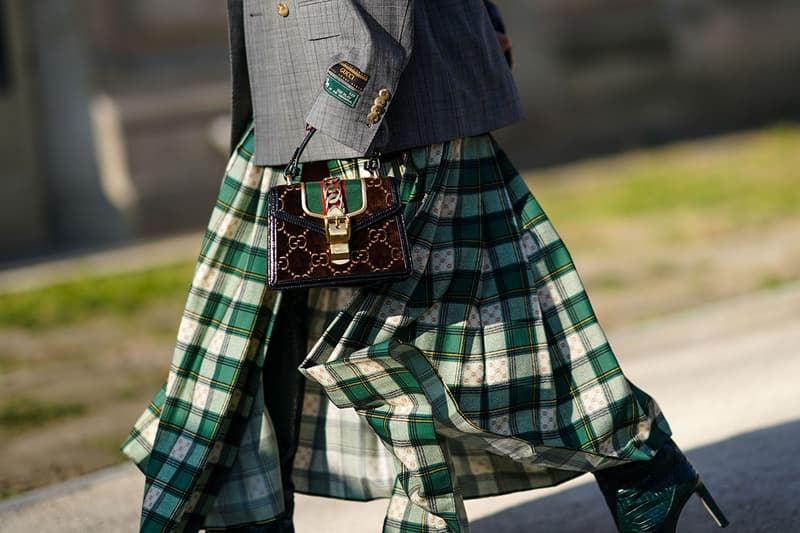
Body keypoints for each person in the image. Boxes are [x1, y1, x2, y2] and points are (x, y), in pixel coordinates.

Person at [123, 1, 730, 532]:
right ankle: (645, 469)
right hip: (318, 103)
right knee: (253, 339)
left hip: (362, 108)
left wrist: (342, 111)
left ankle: (633, 468)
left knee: (379, 347)